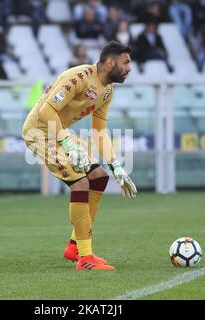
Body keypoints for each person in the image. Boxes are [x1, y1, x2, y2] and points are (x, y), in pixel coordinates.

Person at [22, 41, 137, 271]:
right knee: (80, 184)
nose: (129, 68)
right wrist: (65, 141)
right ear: (111, 62)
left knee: (99, 177)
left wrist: (117, 166)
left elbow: (99, 132)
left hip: (61, 134)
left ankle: (75, 246)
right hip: (40, 133)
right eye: (126, 63)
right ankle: (85, 258)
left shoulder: (106, 91)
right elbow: (46, 110)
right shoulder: (78, 77)